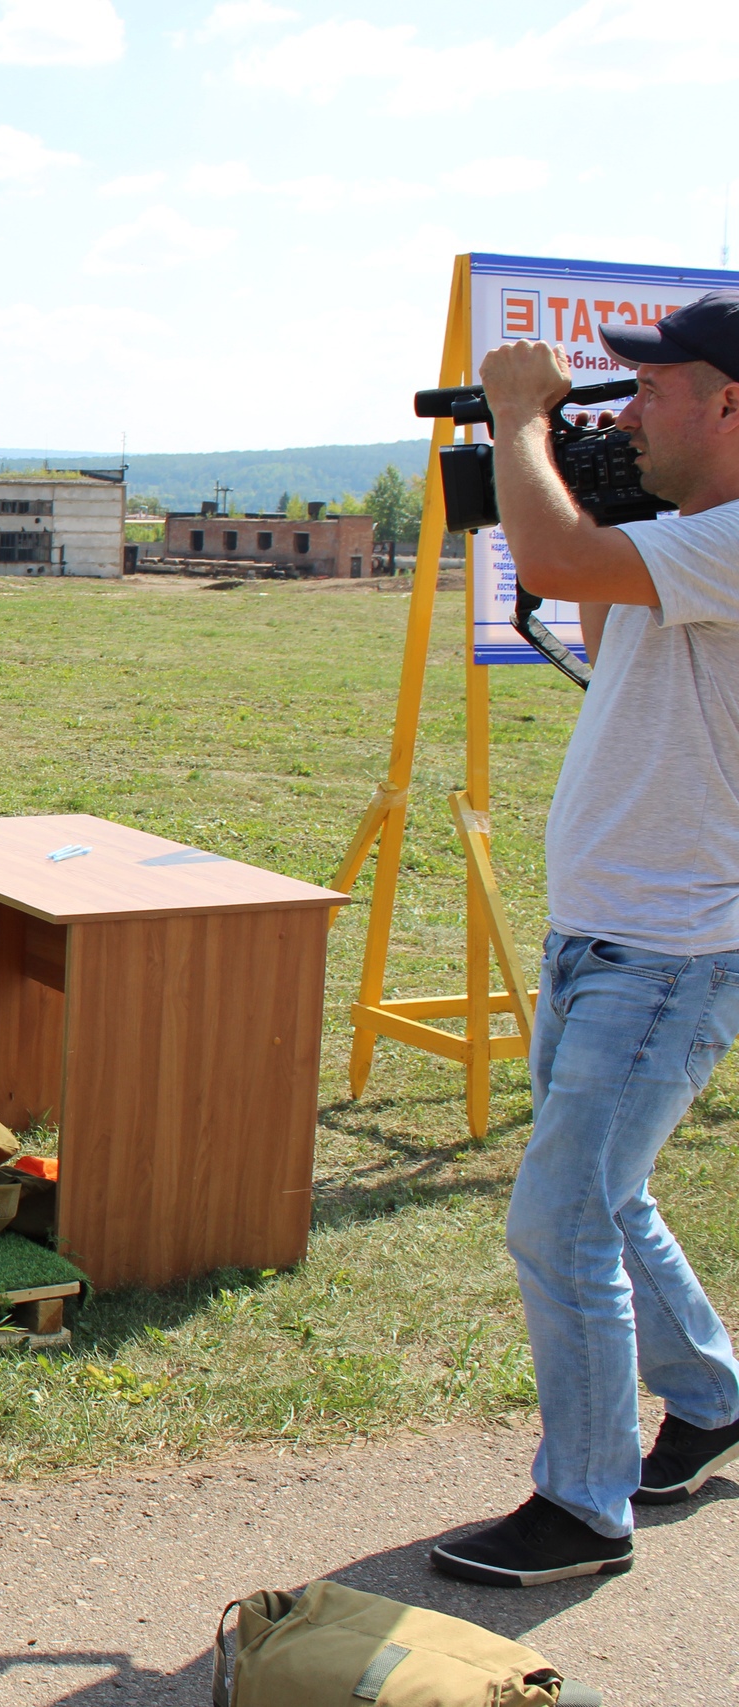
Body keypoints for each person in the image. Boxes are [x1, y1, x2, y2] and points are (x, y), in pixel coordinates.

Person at [428, 291, 739, 1587]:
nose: (629, 409)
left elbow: (551, 567)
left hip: (671, 949)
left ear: (728, 400)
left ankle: (586, 1505)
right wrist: (594, 482)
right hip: (609, 933)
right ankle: (714, 1396)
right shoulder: (691, 538)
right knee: (606, 1194)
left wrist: (522, 426)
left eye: (655, 390)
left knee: (561, 1220)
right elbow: (599, 608)